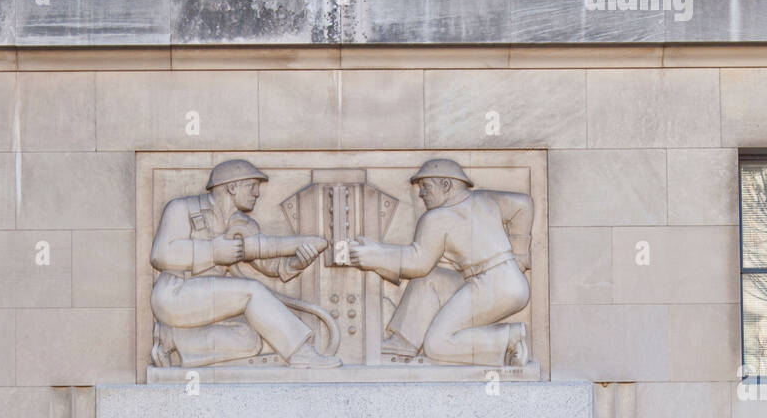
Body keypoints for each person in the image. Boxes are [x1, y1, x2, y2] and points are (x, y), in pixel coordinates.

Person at [150, 159, 341, 367]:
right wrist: (214, 252)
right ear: (232, 187)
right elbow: (161, 254)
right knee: (252, 291)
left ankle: (172, 337)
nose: (257, 193)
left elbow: (271, 266)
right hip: (174, 294)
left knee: (251, 339)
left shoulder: (245, 224)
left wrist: (297, 262)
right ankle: (300, 352)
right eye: (252, 186)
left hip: (209, 305)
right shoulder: (181, 208)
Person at [348, 157, 533, 366]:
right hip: (501, 281)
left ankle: (509, 339)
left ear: (446, 185)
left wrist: (375, 256)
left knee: (437, 345)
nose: (421, 193)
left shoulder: (437, 217)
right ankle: (405, 340)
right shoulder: (485, 198)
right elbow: (523, 205)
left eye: (426, 186)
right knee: (431, 279)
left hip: (493, 287)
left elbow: (418, 262)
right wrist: (520, 255)